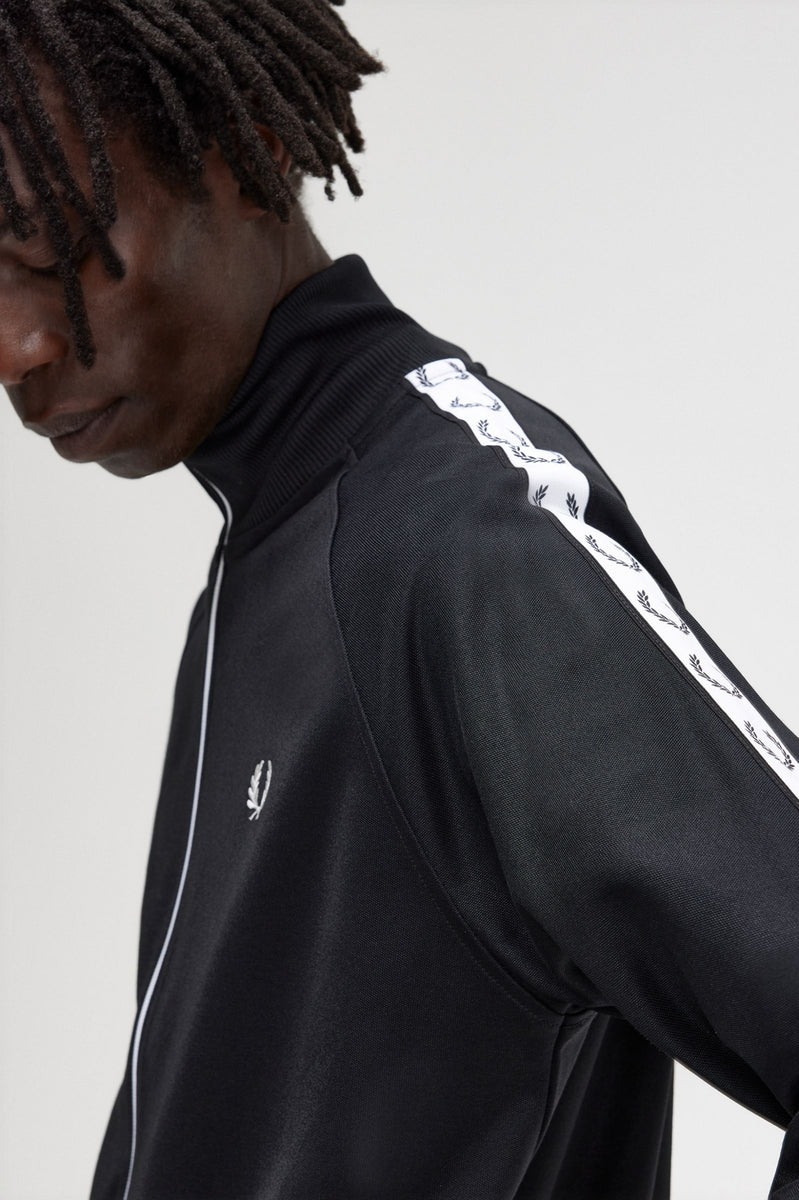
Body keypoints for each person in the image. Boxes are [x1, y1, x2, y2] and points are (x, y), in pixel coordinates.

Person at [2, 2, 798, 1198]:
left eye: (51, 248)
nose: (16, 350)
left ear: (251, 144)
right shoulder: (270, 557)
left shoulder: (461, 542)